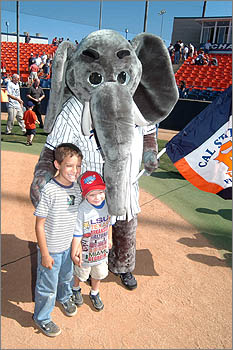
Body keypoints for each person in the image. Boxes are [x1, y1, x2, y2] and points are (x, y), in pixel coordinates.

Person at [33, 143, 83, 337]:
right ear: (57, 164)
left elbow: (76, 220)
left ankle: (65, 297)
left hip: (67, 248)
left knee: (66, 278)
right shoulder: (49, 191)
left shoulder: (77, 189)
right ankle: (42, 318)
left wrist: (75, 247)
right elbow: (39, 225)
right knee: (47, 287)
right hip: (51, 250)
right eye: (69, 165)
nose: (74, 170)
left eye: (78, 166)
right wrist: (44, 253)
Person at [71, 171, 113, 311]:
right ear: (85, 195)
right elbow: (77, 233)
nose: (97, 197)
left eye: (100, 192)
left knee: (99, 273)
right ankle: (75, 288)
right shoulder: (82, 209)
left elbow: (109, 224)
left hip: (101, 251)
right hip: (85, 252)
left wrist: (109, 238)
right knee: (80, 273)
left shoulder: (107, 205)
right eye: (91, 194)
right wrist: (75, 251)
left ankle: (94, 292)